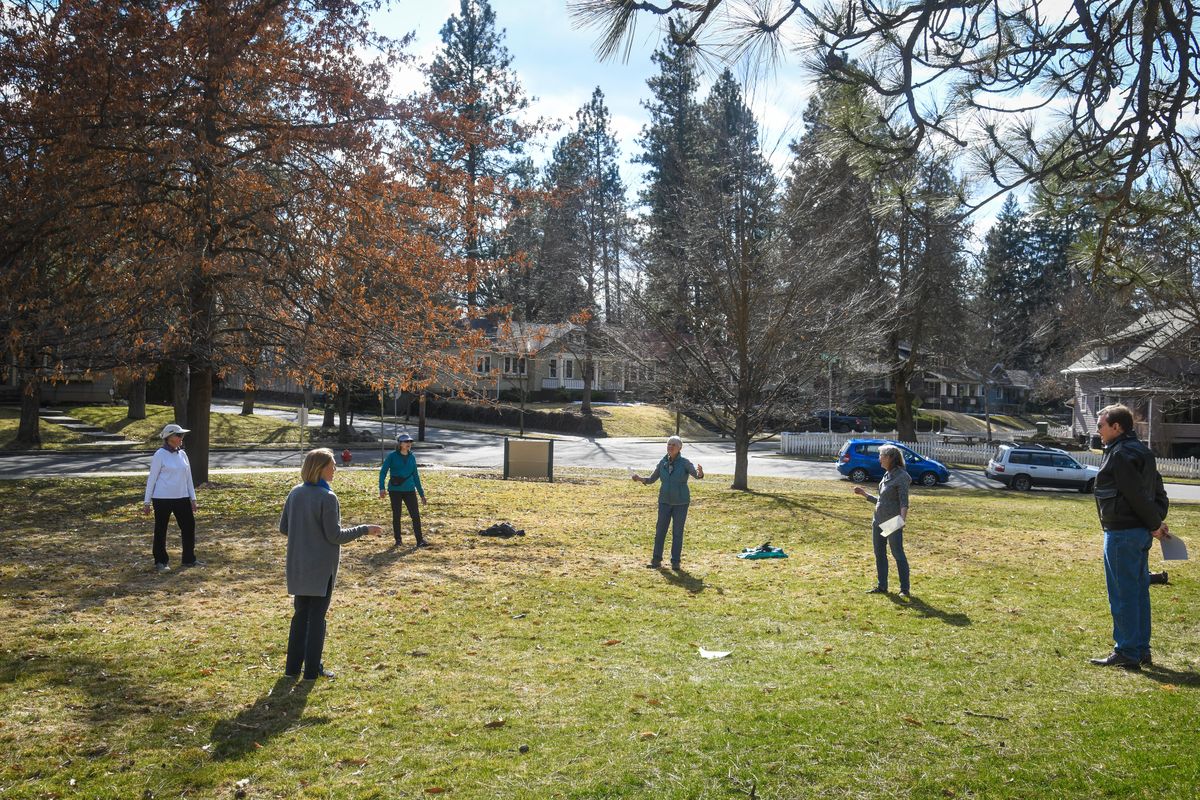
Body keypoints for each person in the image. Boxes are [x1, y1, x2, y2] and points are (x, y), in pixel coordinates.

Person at [280, 447, 382, 681]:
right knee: (317, 619)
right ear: (320, 468)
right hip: (321, 569)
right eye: (332, 465)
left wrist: (304, 536)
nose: (335, 469)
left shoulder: (295, 493)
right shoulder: (327, 497)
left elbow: (284, 528)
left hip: (298, 565)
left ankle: (292, 669)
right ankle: (311, 671)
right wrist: (364, 529)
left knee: (300, 616)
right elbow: (335, 536)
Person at [1089, 404, 1171, 670]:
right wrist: (1154, 522)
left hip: (1122, 533)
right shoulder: (1142, 451)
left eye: (1101, 425)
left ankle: (1126, 651)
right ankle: (1140, 649)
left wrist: (1155, 524)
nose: (1098, 430)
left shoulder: (1121, 453)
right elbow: (1158, 491)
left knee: (1123, 594)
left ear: (1117, 427)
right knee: (1137, 593)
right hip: (1138, 533)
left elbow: (1136, 494)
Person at [632, 435, 703, 570]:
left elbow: (696, 475)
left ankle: (675, 562)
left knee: (677, 532)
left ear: (679, 448)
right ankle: (656, 560)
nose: (670, 447)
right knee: (660, 531)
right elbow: (652, 479)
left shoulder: (685, 463)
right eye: (669, 444)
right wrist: (640, 478)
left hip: (681, 503)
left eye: (673, 445)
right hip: (664, 501)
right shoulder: (663, 462)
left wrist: (700, 473)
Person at [853, 444, 912, 597]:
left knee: (897, 554)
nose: (879, 459)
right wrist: (865, 495)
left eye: (881, 456)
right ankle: (882, 586)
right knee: (879, 554)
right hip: (878, 521)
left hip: (893, 522)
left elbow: (904, 502)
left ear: (890, 458)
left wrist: (901, 522)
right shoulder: (887, 474)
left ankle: (904, 589)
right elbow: (883, 501)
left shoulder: (901, 476)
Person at [142, 423, 199, 572]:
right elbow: (152, 479)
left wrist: (193, 499)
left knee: (189, 527)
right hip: (162, 499)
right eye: (179, 435)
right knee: (161, 529)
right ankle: (160, 561)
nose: (181, 438)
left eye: (182, 435)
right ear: (169, 437)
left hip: (182, 497)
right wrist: (146, 502)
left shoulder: (183, 454)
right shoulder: (159, 454)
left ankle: (189, 559)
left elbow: (188, 478)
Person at [378, 432, 427, 547]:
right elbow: (383, 472)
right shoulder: (392, 456)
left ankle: (420, 540)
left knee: (415, 515)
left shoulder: (412, 457)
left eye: (410, 441)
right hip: (395, 490)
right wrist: (381, 488)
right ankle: (398, 541)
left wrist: (422, 495)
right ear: (400, 443)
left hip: (409, 490)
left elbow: (416, 476)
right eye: (406, 441)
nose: (409, 443)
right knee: (397, 515)